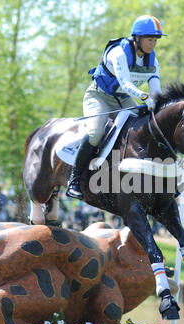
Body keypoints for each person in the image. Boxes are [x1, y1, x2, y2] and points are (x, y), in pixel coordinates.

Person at [66, 15, 165, 200]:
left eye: (155, 40)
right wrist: (144, 97)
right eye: (149, 39)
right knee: (95, 133)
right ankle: (74, 179)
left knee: (144, 127)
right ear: (137, 38)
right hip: (99, 97)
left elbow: (156, 90)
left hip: (123, 99)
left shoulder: (153, 61)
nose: (153, 44)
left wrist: (158, 102)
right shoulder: (119, 53)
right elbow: (125, 83)